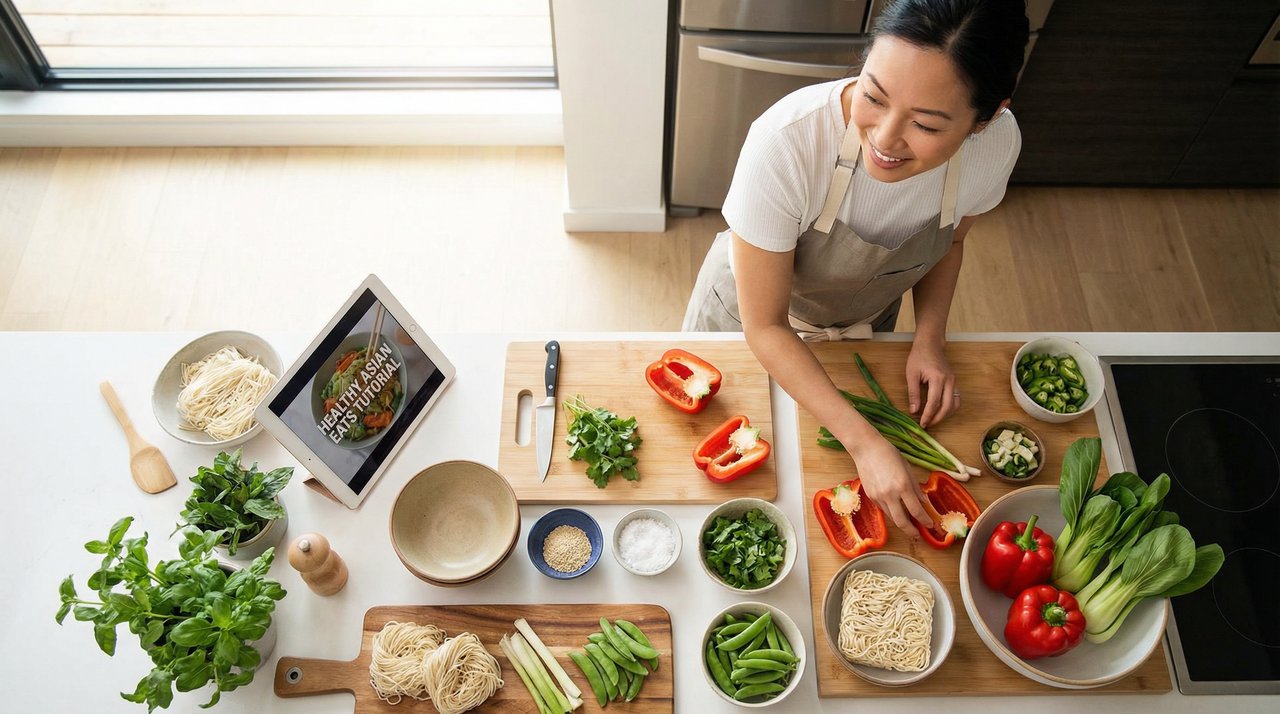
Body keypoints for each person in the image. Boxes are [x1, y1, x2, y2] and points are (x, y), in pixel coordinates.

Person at [683, 0, 1030, 532]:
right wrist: (867, 444)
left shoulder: (995, 147)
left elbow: (950, 243)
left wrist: (929, 339)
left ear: (987, 118)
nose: (886, 139)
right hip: (751, 325)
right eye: (873, 96)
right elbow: (766, 325)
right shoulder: (789, 142)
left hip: (863, 323)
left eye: (926, 124)